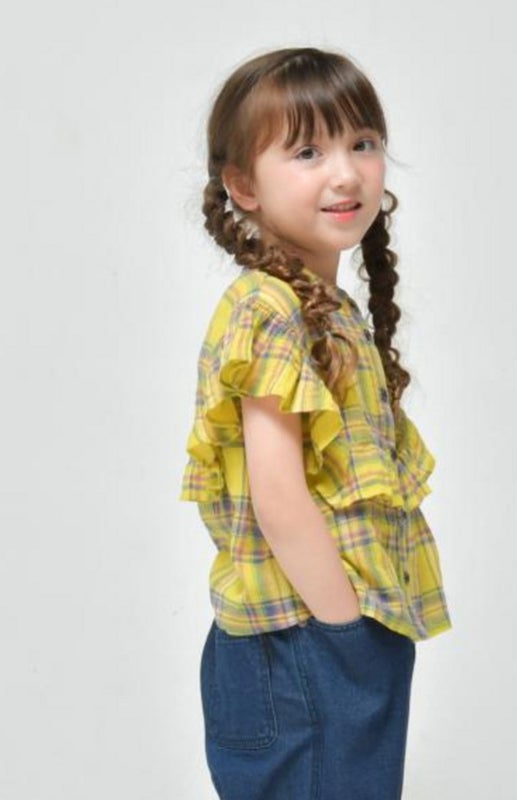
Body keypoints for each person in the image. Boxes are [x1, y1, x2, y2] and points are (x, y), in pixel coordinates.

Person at [177, 46, 453, 799]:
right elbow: (278, 497)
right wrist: (344, 629)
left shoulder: (323, 310)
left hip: (323, 636)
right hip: (303, 641)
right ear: (243, 185)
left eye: (362, 143)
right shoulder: (270, 309)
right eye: (306, 152)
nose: (345, 173)